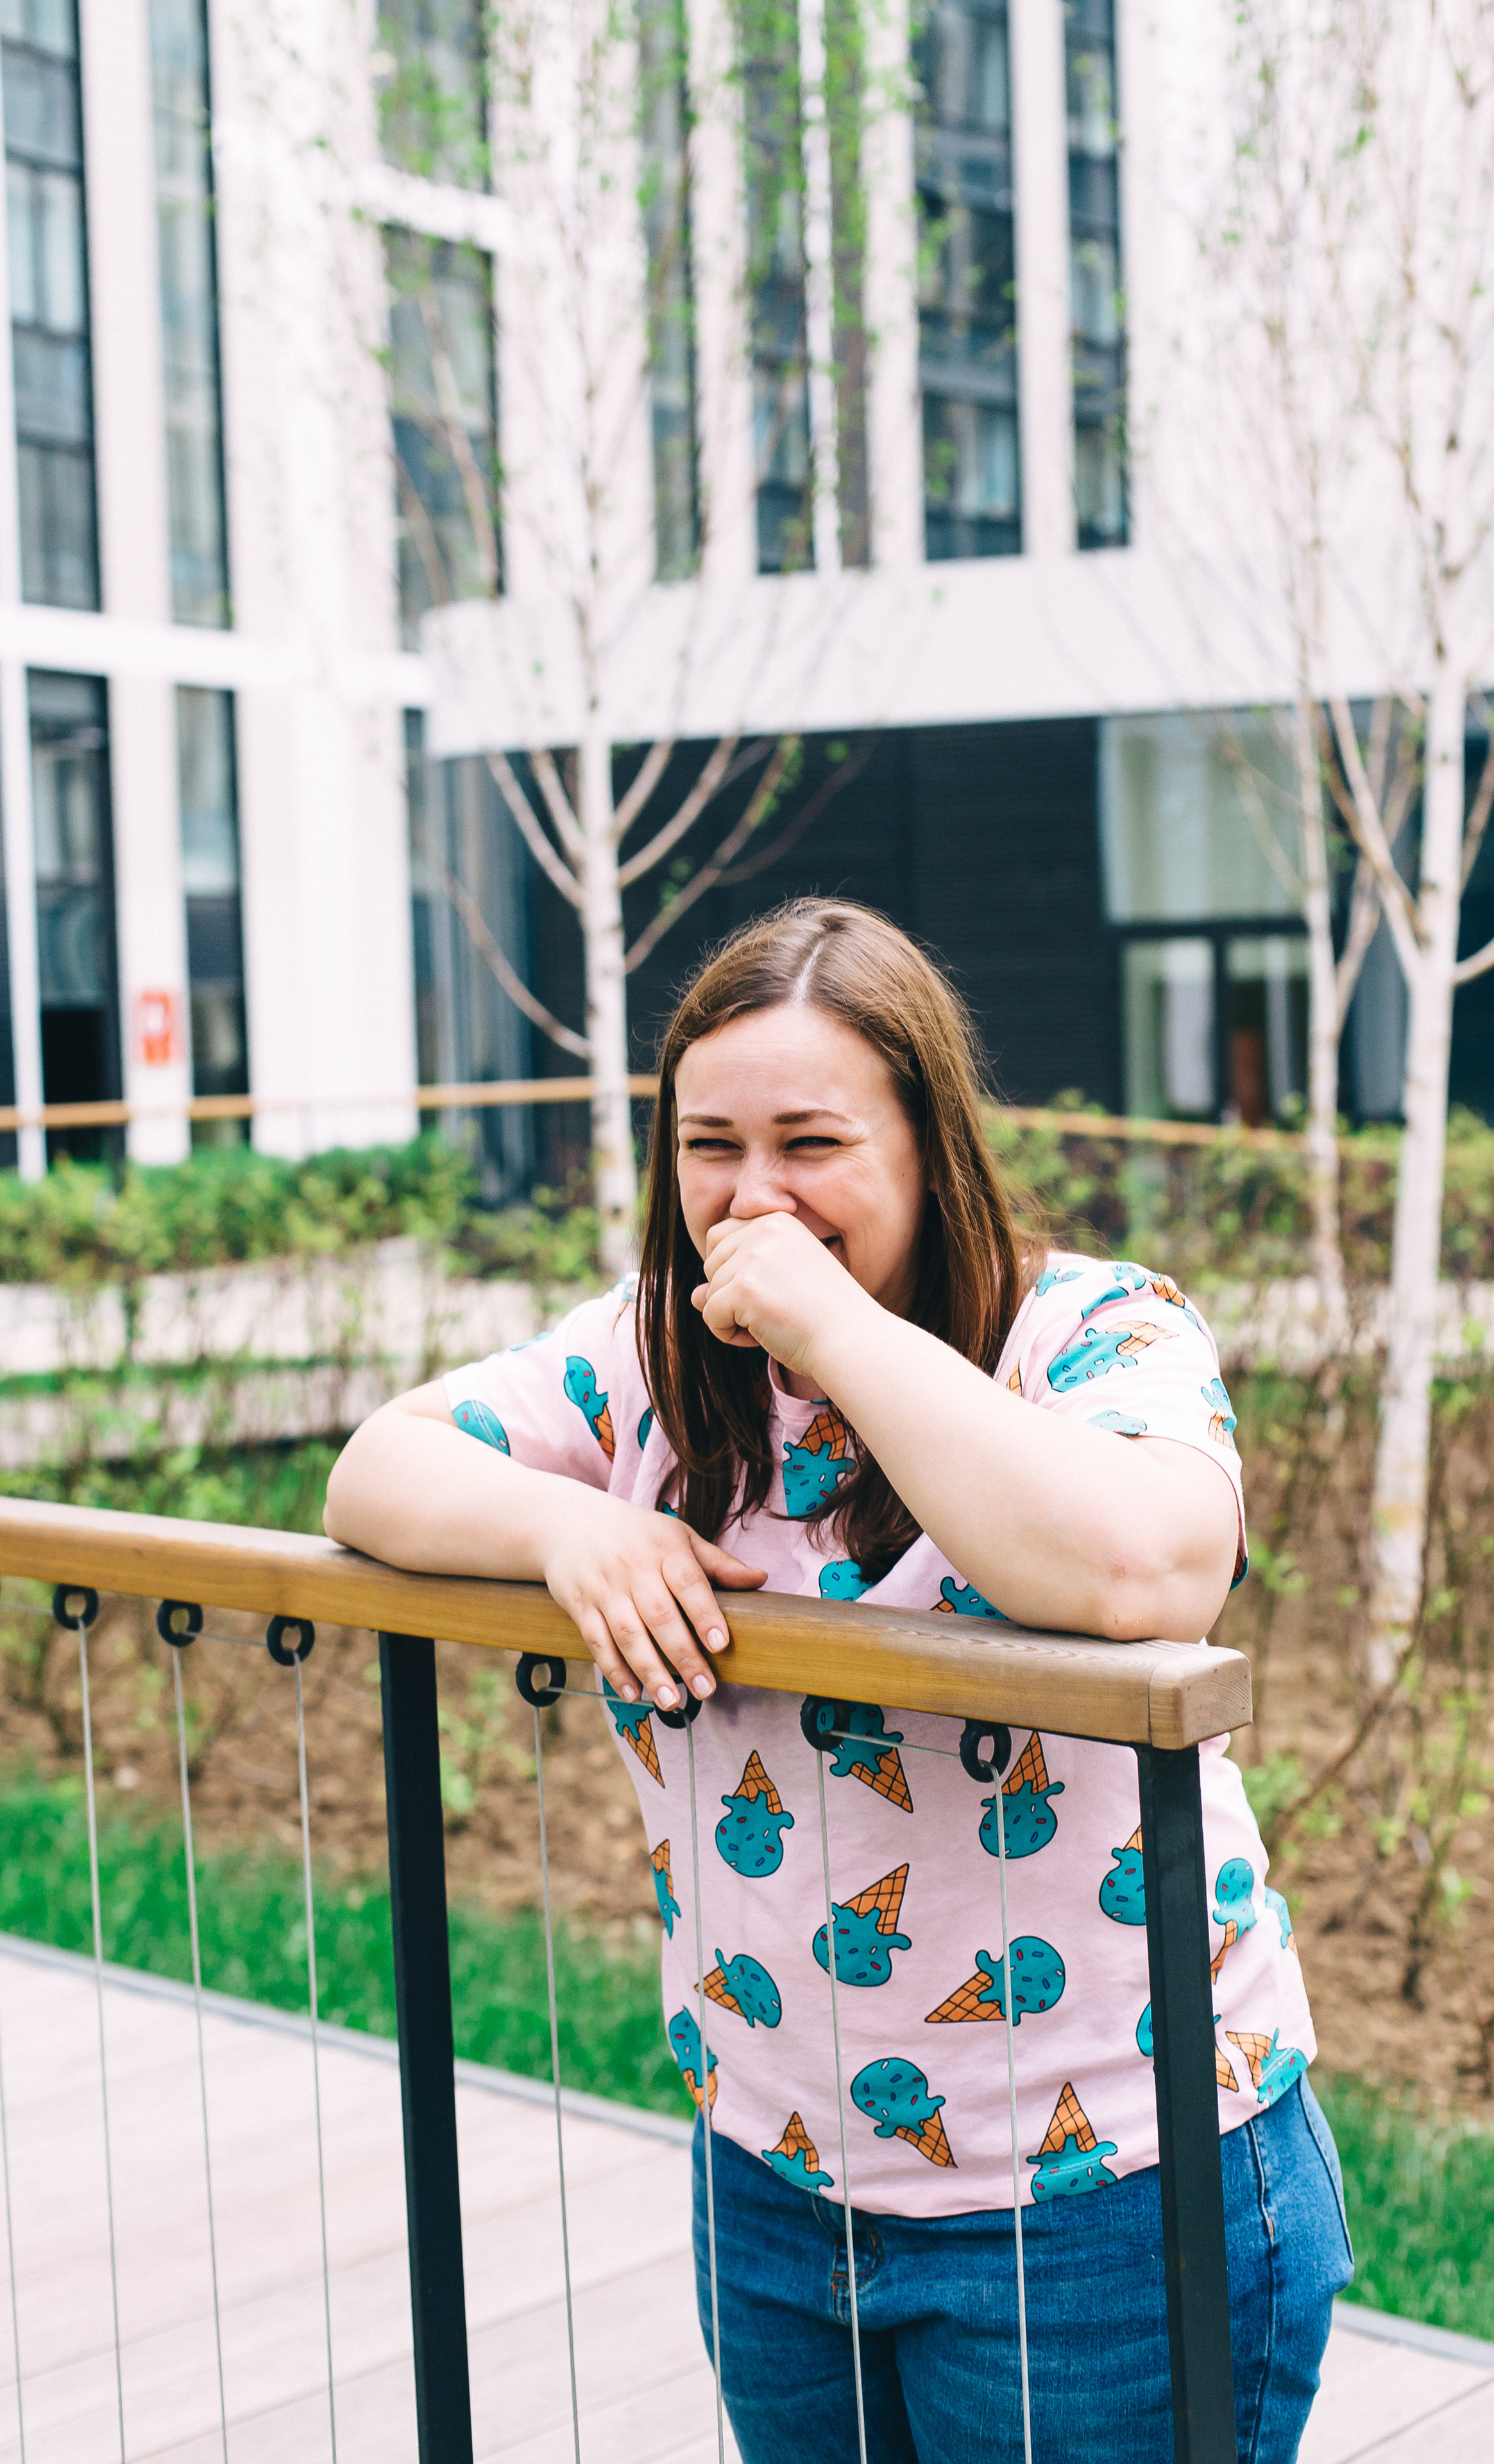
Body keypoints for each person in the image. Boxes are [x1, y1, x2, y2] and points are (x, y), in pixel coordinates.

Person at [325, 898, 1352, 2463]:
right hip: (774, 2181)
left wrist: (834, 1326)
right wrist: (568, 1530)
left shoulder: (1092, 1330)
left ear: (929, 1149)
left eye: (809, 1144)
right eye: (709, 1148)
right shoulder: (645, 1363)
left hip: (1104, 2202)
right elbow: (373, 1469)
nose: (751, 1198)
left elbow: (1143, 1571)